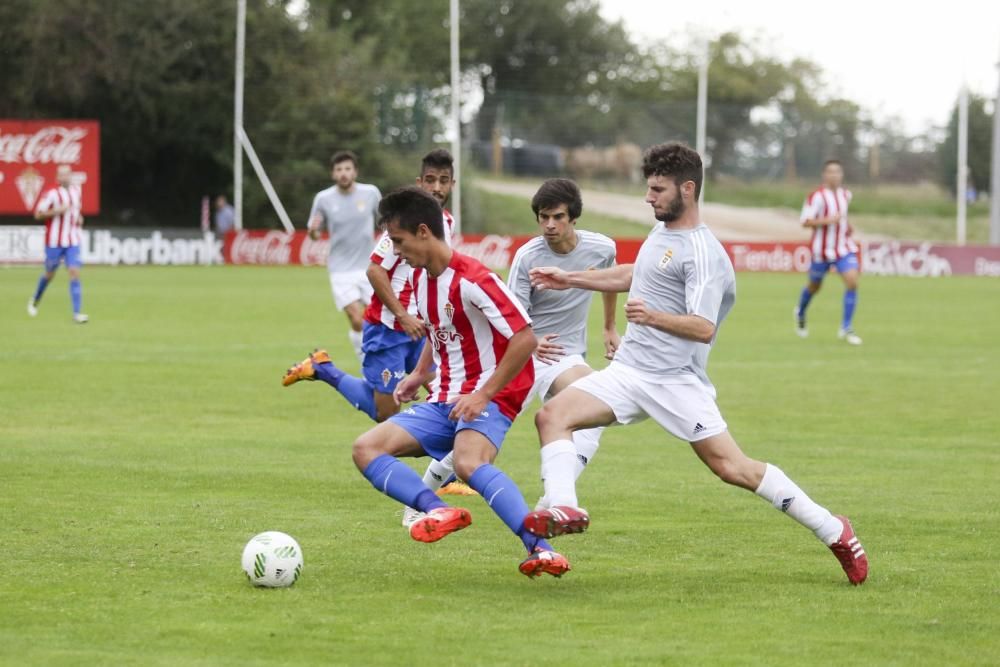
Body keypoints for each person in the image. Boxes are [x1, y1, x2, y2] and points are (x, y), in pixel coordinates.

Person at [524, 143, 868, 586]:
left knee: (734, 469)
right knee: (552, 416)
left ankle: (833, 528)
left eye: (657, 189)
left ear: (687, 189)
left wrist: (651, 317)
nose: (649, 197)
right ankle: (563, 507)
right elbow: (635, 275)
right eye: (648, 188)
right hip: (630, 371)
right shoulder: (661, 234)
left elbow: (704, 327)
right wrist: (571, 277)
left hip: (675, 381)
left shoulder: (704, 254)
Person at [349, 186, 570, 578]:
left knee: (469, 462)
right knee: (366, 448)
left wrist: (483, 394)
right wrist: (418, 373)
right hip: (446, 398)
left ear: (423, 232)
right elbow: (439, 331)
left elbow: (524, 337)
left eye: (398, 242)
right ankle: (437, 509)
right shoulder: (419, 280)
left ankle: (542, 550)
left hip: (492, 396)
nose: (396, 253)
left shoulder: (475, 279)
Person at [409, 178, 619, 525]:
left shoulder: (602, 247)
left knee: (596, 406)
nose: (550, 225)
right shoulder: (528, 256)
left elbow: (609, 280)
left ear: (573, 218)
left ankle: (555, 497)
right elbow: (510, 320)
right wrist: (534, 341)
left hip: (565, 357)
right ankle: (419, 498)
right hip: (523, 356)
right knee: (474, 437)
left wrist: (609, 326)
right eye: (543, 217)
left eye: (558, 217)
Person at [307, 151, 382, 362]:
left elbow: (385, 222)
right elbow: (314, 233)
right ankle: (365, 361)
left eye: (347, 169)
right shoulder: (323, 199)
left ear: (355, 172)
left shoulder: (371, 193)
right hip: (340, 269)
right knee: (356, 319)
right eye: (339, 170)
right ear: (333, 174)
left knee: (379, 318)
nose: (343, 173)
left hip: (370, 267)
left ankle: (381, 356)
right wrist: (313, 230)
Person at [794, 160, 862, 345]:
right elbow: (805, 221)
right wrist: (827, 220)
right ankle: (801, 310)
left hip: (843, 248)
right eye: (830, 172)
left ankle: (846, 327)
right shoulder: (816, 196)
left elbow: (842, 218)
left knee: (852, 282)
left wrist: (847, 226)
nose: (834, 175)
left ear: (842, 174)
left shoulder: (846, 195)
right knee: (814, 287)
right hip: (821, 252)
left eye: (837, 172)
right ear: (824, 175)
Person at [27, 164, 88, 323]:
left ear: (71, 176)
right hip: (54, 242)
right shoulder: (52, 194)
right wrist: (57, 211)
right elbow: (38, 214)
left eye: (67, 174)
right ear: (57, 177)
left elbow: (76, 211)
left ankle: (77, 314)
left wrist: (79, 218)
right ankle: (35, 299)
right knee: (49, 274)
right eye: (62, 175)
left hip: (72, 240)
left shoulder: (76, 191)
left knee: (74, 272)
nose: (65, 177)